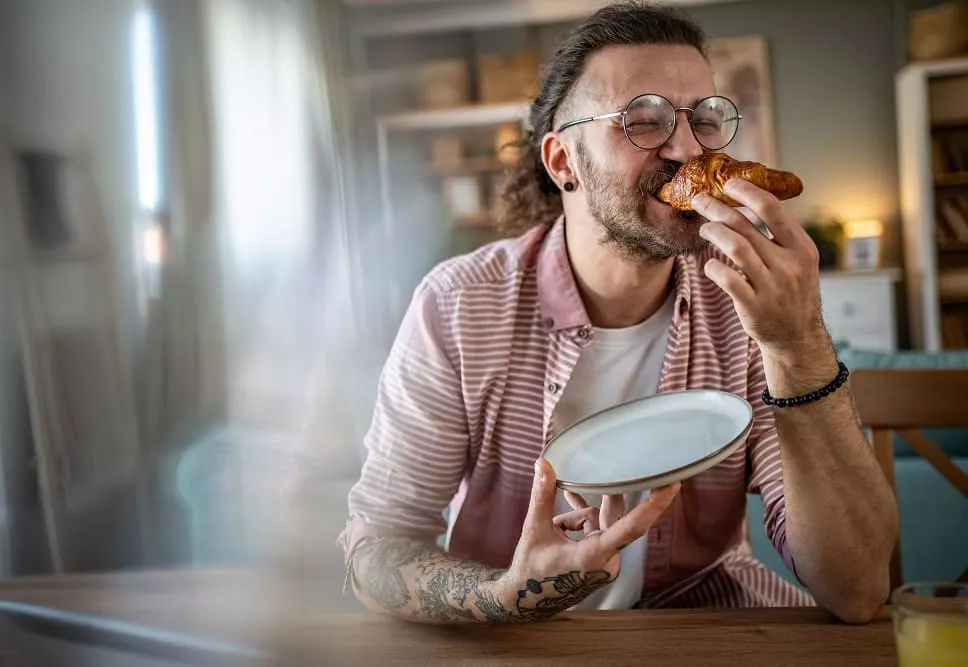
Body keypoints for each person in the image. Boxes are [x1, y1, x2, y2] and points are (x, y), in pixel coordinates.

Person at [338, 0, 898, 624]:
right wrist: (504, 595)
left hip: (706, 630)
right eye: (644, 120)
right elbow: (376, 551)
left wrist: (798, 345)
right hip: (516, 647)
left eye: (705, 120)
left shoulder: (746, 305)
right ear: (562, 163)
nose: (688, 150)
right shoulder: (460, 305)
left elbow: (857, 588)